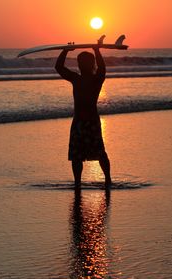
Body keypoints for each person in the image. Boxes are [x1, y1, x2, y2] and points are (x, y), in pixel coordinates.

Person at [55, 42, 111, 188]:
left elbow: (59, 67)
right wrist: (96, 50)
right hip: (86, 121)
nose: (80, 65)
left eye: (81, 63)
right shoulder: (88, 79)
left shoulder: (80, 79)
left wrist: (65, 51)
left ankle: (96, 181)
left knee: (90, 153)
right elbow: (59, 68)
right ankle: (86, 182)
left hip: (84, 121)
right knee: (85, 154)